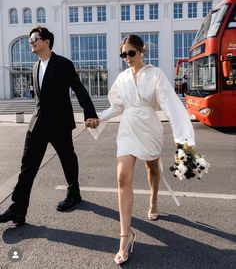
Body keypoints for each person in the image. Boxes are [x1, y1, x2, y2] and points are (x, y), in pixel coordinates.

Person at [88, 34, 195, 265]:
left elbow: (171, 105)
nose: (127, 57)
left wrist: (183, 140)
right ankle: (125, 237)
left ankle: (154, 200)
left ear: (141, 51)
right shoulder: (122, 78)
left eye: (131, 53)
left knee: (152, 169)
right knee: (122, 177)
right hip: (127, 128)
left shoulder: (155, 74)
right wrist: (99, 119)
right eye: (123, 54)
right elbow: (116, 106)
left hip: (149, 127)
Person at [0, 26, 99, 226]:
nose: (31, 42)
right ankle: (18, 209)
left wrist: (90, 113)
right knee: (27, 166)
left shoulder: (63, 64)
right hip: (37, 124)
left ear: (46, 41)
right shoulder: (35, 67)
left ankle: (74, 192)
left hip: (59, 123)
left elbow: (78, 88)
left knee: (67, 158)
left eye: (34, 39)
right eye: (30, 40)